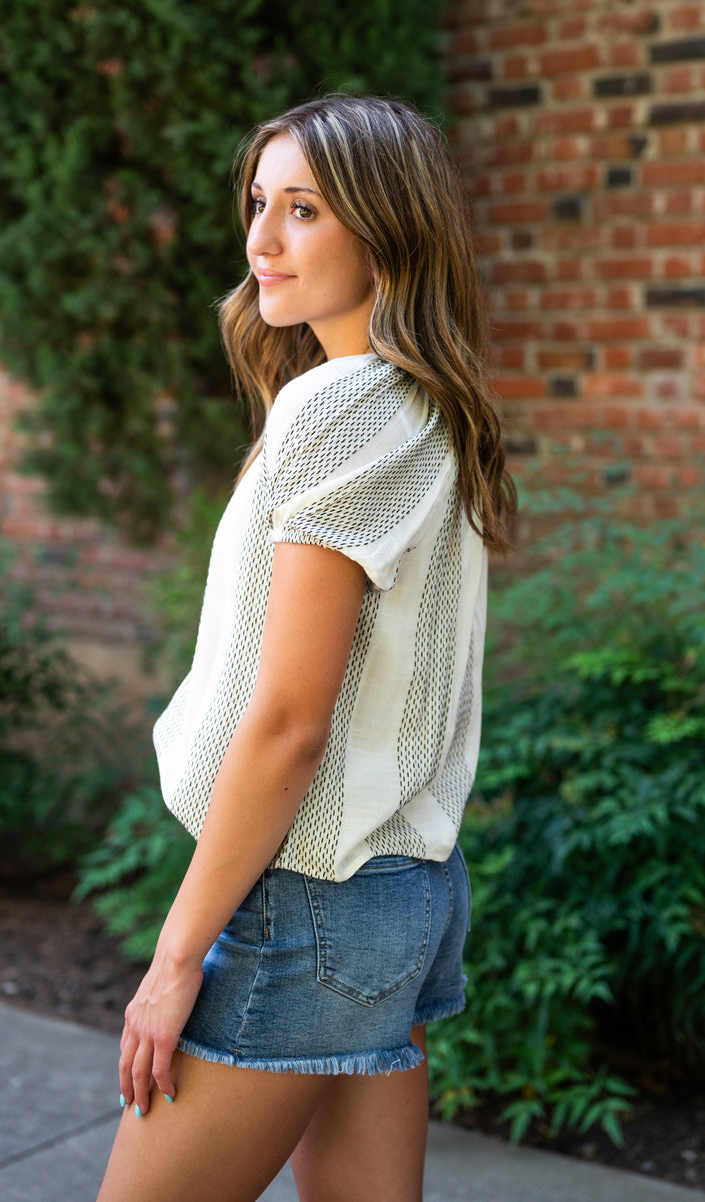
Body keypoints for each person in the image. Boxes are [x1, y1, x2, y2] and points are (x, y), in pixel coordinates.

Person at [96, 94, 515, 1202]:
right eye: (256, 205)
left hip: (306, 899)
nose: (259, 241)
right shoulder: (427, 398)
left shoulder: (341, 404)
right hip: (400, 890)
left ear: (385, 226)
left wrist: (174, 955)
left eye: (303, 209)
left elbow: (288, 722)